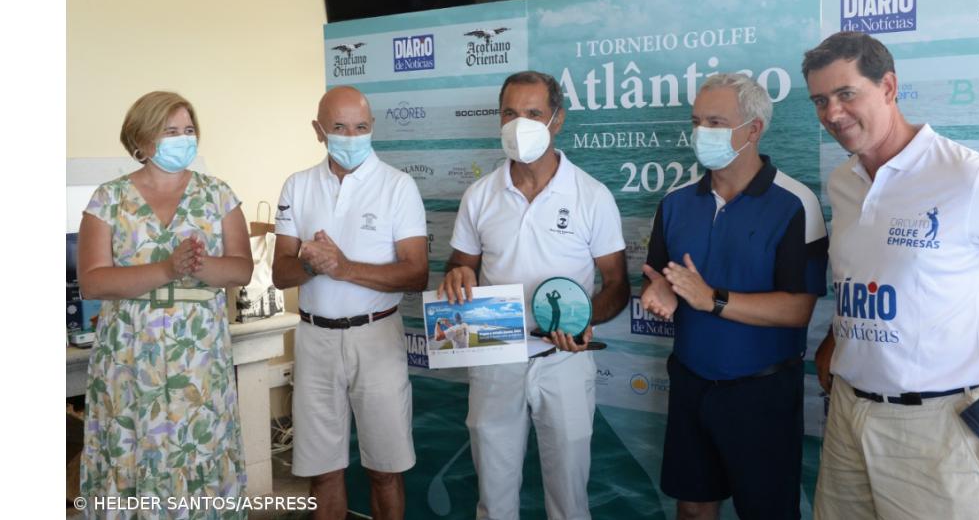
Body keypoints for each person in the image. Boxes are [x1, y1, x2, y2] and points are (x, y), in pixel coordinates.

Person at [803, 31, 979, 519]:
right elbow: (869, 273)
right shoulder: (843, 181)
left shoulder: (970, 178)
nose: (832, 113)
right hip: (847, 415)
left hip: (940, 429)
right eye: (820, 100)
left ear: (889, 87)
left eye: (846, 94)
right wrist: (842, 336)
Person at [436, 70, 630, 520]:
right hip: (494, 355)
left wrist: (581, 322)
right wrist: (457, 274)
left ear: (556, 120)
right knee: (494, 497)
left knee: (568, 500)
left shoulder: (590, 195)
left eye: (533, 113)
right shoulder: (480, 195)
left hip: (561, 360)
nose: (518, 123)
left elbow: (617, 285)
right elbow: (458, 264)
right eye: (509, 113)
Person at [640, 73, 829, 520]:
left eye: (716, 121)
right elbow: (658, 276)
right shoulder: (675, 203)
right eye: (697, 121)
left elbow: (799, 308)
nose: (701, 132)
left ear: (753, 129)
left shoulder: (795, 202)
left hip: (761, 392)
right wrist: (661, 291)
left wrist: (714, 300)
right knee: (692, 508)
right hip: (690, 383)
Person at [77, 91, 253, 517]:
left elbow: (242, 270)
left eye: (188, 130)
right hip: (130, 360)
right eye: (170, 131)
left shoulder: (218, 194)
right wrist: (167, 268)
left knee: (201, 448)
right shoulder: (108, 199)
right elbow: (93, 280)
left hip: (199, 360)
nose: (182, 139)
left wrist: (201, 264)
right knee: (134, 450)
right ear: (142, 139)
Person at [272, 86, 428, 520]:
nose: (351, 135)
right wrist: (314, 263)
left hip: (376, 338)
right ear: (319, 131)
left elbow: (416, 272)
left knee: (385, 470)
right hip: (315, 339)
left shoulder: (398, 185)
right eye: (339, 127)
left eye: (360, 126)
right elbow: (280, 273)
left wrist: (342, 267)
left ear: (372, 127)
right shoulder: (298, 185)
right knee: (322, 471)